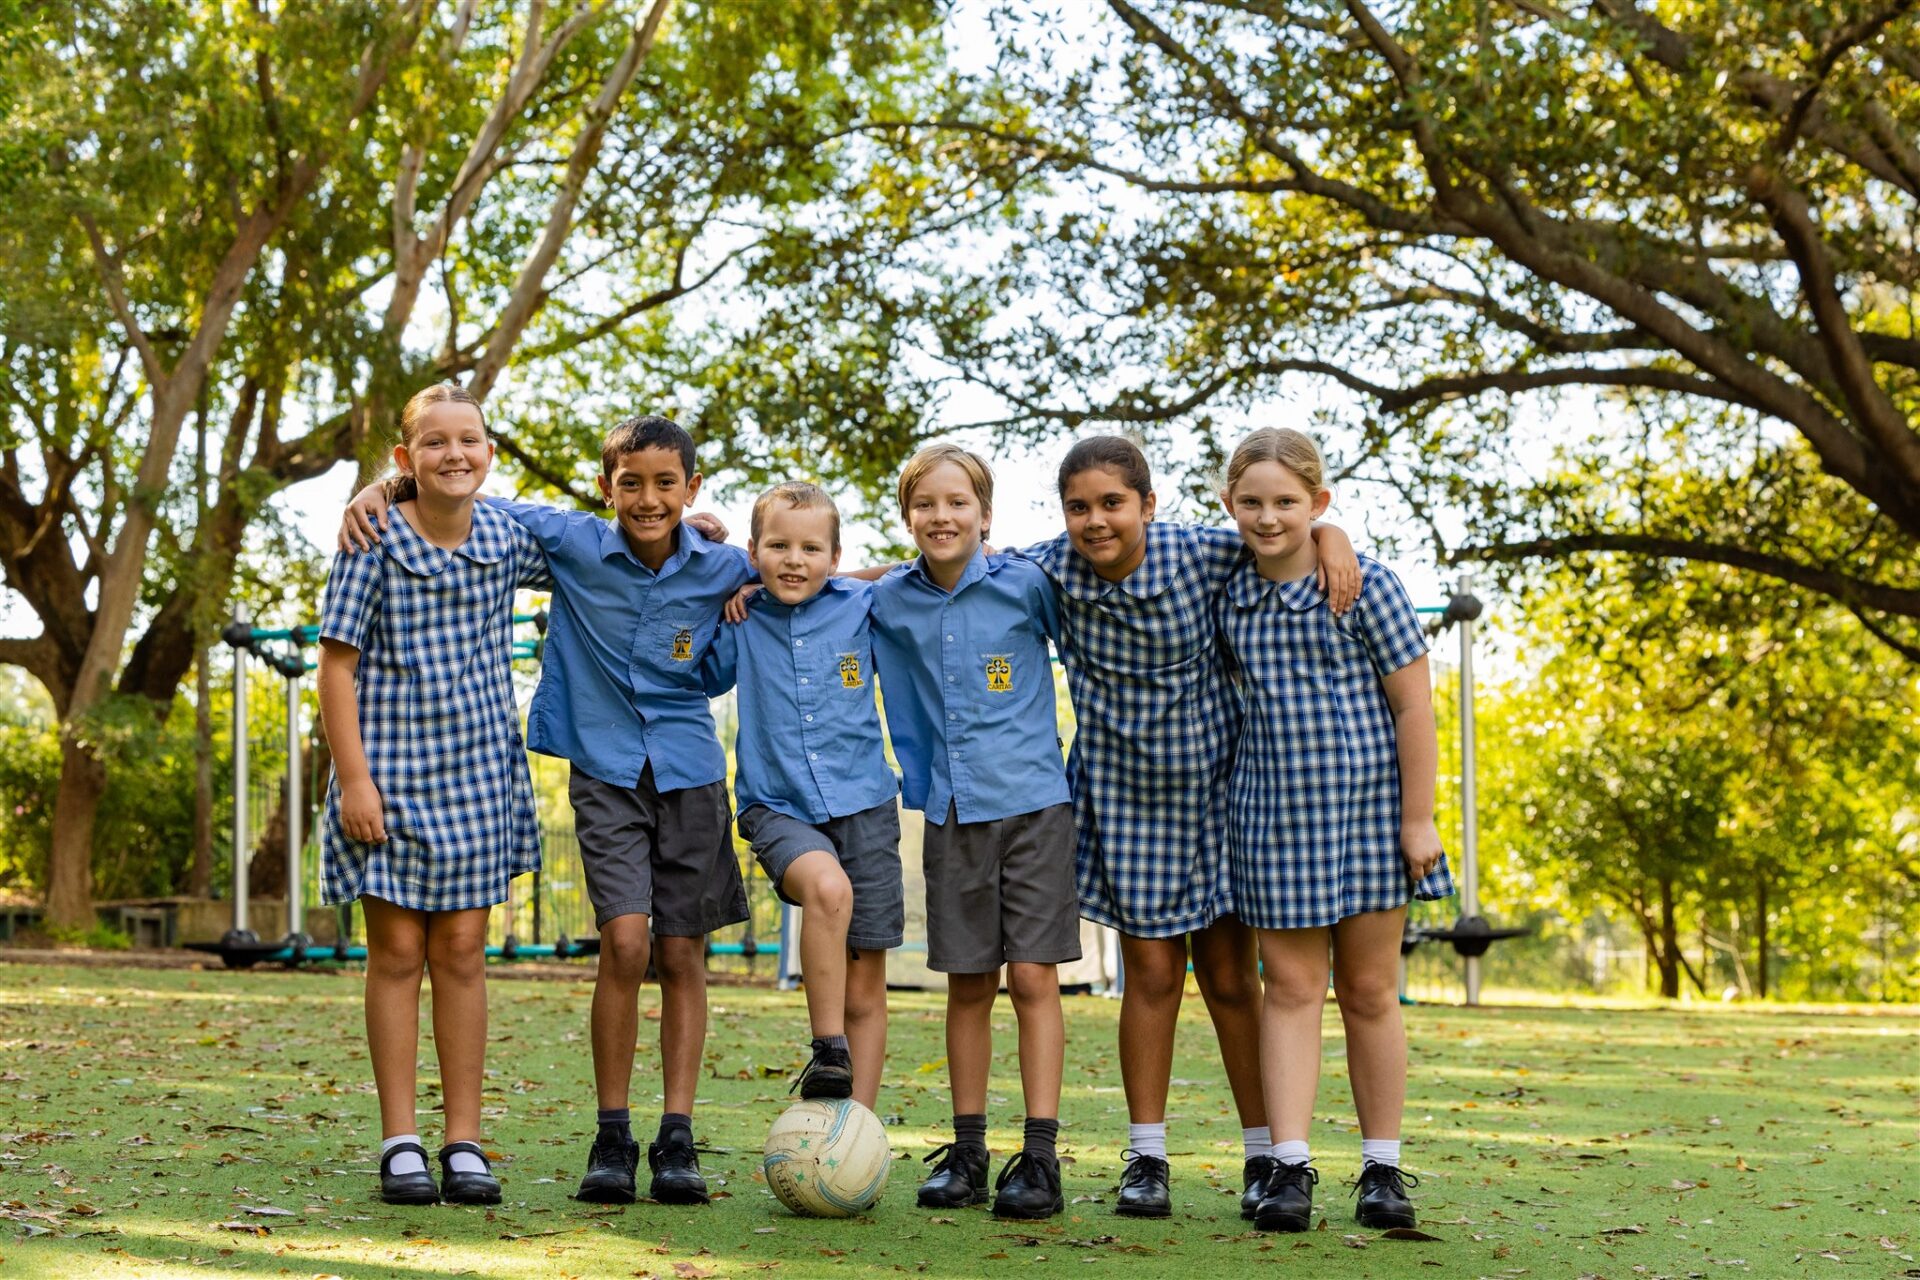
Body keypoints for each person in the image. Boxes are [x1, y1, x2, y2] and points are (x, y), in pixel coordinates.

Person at [340, 415, 747, 1208]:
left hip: (692, 772)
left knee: (684, 955)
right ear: (605, 489)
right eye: (630, 483)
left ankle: (676, 1135)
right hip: (604, 770)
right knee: (626, 944)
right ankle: (613, 1131)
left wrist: (751, 588)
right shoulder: (571, 542)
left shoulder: (725, 566)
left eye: (667, 484)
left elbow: (793, 588)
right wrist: (378, 487)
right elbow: (456, 496)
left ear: (693, 489)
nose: (649, 498)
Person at [1013, 436, 1359, 1219]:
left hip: (1222, 791)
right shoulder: (1050, 566)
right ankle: (1146, 1157)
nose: (1096, 520)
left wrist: (1336, 536)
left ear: (1148, 505)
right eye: (1079, 506)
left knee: (1234, 980)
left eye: (1112, 503)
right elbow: (957, 566)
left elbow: (1285, 531)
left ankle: (1266, 1155)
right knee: (1154, 979)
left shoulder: (1204, 553)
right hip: (1126, 799)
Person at [1214, 428, 1453, 1234]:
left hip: (1369, 822)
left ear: (1318, 503)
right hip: (1272, 822)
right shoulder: (1227, 591)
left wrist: (1417, 817)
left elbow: (1414, 705)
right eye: (1252, 501)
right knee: (1289, 992)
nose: (1268, 516)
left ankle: (1382, 1171)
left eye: (1289, 502)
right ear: (1230, 505)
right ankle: (1288, 1168)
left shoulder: (1365, 585)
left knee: (1370, 992)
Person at [316, 384, 551, 1206]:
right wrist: (354, 780)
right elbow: (336, 666)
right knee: (398, 956)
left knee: (460, 956)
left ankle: (464, 1141)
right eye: (436, 442)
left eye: (472, 440)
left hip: (480, 776)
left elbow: (607, 551)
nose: (456, 454)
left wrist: (695, 533)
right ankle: (400, 1141)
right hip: (389, 777)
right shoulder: (373, 538)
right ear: (404, 458)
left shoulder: (509, 536)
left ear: (490, 452)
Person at [868, 443, 1079, 1221]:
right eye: (926, 505)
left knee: (1031, 978)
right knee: (967, 983)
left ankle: (1042, 1156)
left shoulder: (1028, 585)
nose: (942, 516)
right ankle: (966, 1151)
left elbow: (1093, 613)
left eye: (958, 503)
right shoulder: (890, 599)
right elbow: (829, 586)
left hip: (1034, 805)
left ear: (986, 515)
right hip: (952, 811)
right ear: (908, 518)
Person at [702, 482, 902, 1107]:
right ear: (754, 552)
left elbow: (911, 570)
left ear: (835, 557)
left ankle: (855, 1133)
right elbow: (697, 670)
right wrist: (719, 582)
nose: (794, 560)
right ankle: (827, 1048)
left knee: (866, 984)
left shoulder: (861, 605)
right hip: (778, 805)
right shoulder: (741, 616)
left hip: (865, 802)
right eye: (778, 546)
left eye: (812, 548)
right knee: (827, 888)